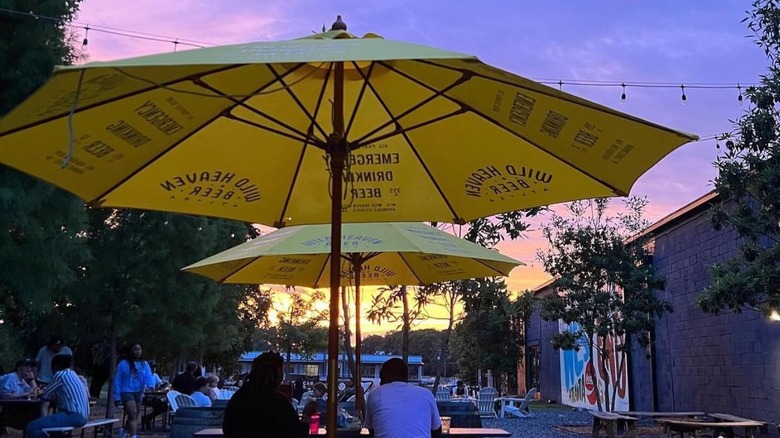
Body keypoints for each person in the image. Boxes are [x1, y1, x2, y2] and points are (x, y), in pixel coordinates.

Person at [223, 351, 307, 438]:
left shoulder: (239, 398)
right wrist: (306, 418)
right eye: (282, 371)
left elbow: (228, 428)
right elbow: (296, 433)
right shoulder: (278, 402)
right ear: (277, 374)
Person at [364, 358, 442, 438]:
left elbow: (372, 430)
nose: (380, 382)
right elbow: (437, 430)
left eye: (382, 378)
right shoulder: (426, 394)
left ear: (388, 376)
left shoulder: (374, 394)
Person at [25, 354, 90, 438]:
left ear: (54, 366)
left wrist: (37, 393)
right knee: (55, 432)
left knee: (32, 427)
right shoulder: (73, 375)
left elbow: (46, 395)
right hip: (83, 416)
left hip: (73, 415)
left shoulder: (60, 375)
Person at [114, 343, 154, 438]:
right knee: (133, 413)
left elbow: (148, 376)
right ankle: (134, 435)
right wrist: (116, 396)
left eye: (139, 349)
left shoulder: (144, 364)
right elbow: (117, 380)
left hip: (138, 392)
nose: (138, 351)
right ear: (130, 351)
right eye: (135, 349)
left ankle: (123, 430)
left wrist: (151, 385)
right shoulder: (123, 364)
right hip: (126, 391)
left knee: (134, 416)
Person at [0, 359, 40, 431]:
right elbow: (4, 395)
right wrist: (24, 395)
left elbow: (34, 393)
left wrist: (31, 379)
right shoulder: (11, 377)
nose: (29, 369)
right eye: (26, 366)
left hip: (18, 409)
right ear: (19, 367)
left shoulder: (21, 380)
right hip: (9, 411)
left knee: (38, 410)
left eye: (30, 366)